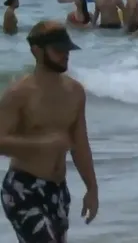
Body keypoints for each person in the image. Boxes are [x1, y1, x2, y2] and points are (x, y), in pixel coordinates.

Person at [0, 21, 99, 242]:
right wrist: (41, 145)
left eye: (67, 49)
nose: (65, 54)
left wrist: (92, 188)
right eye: (58, 50)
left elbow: (80, 144)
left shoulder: (75, 92)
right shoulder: (19, 93)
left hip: (58, 190)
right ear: (37, 50)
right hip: (23, 189)